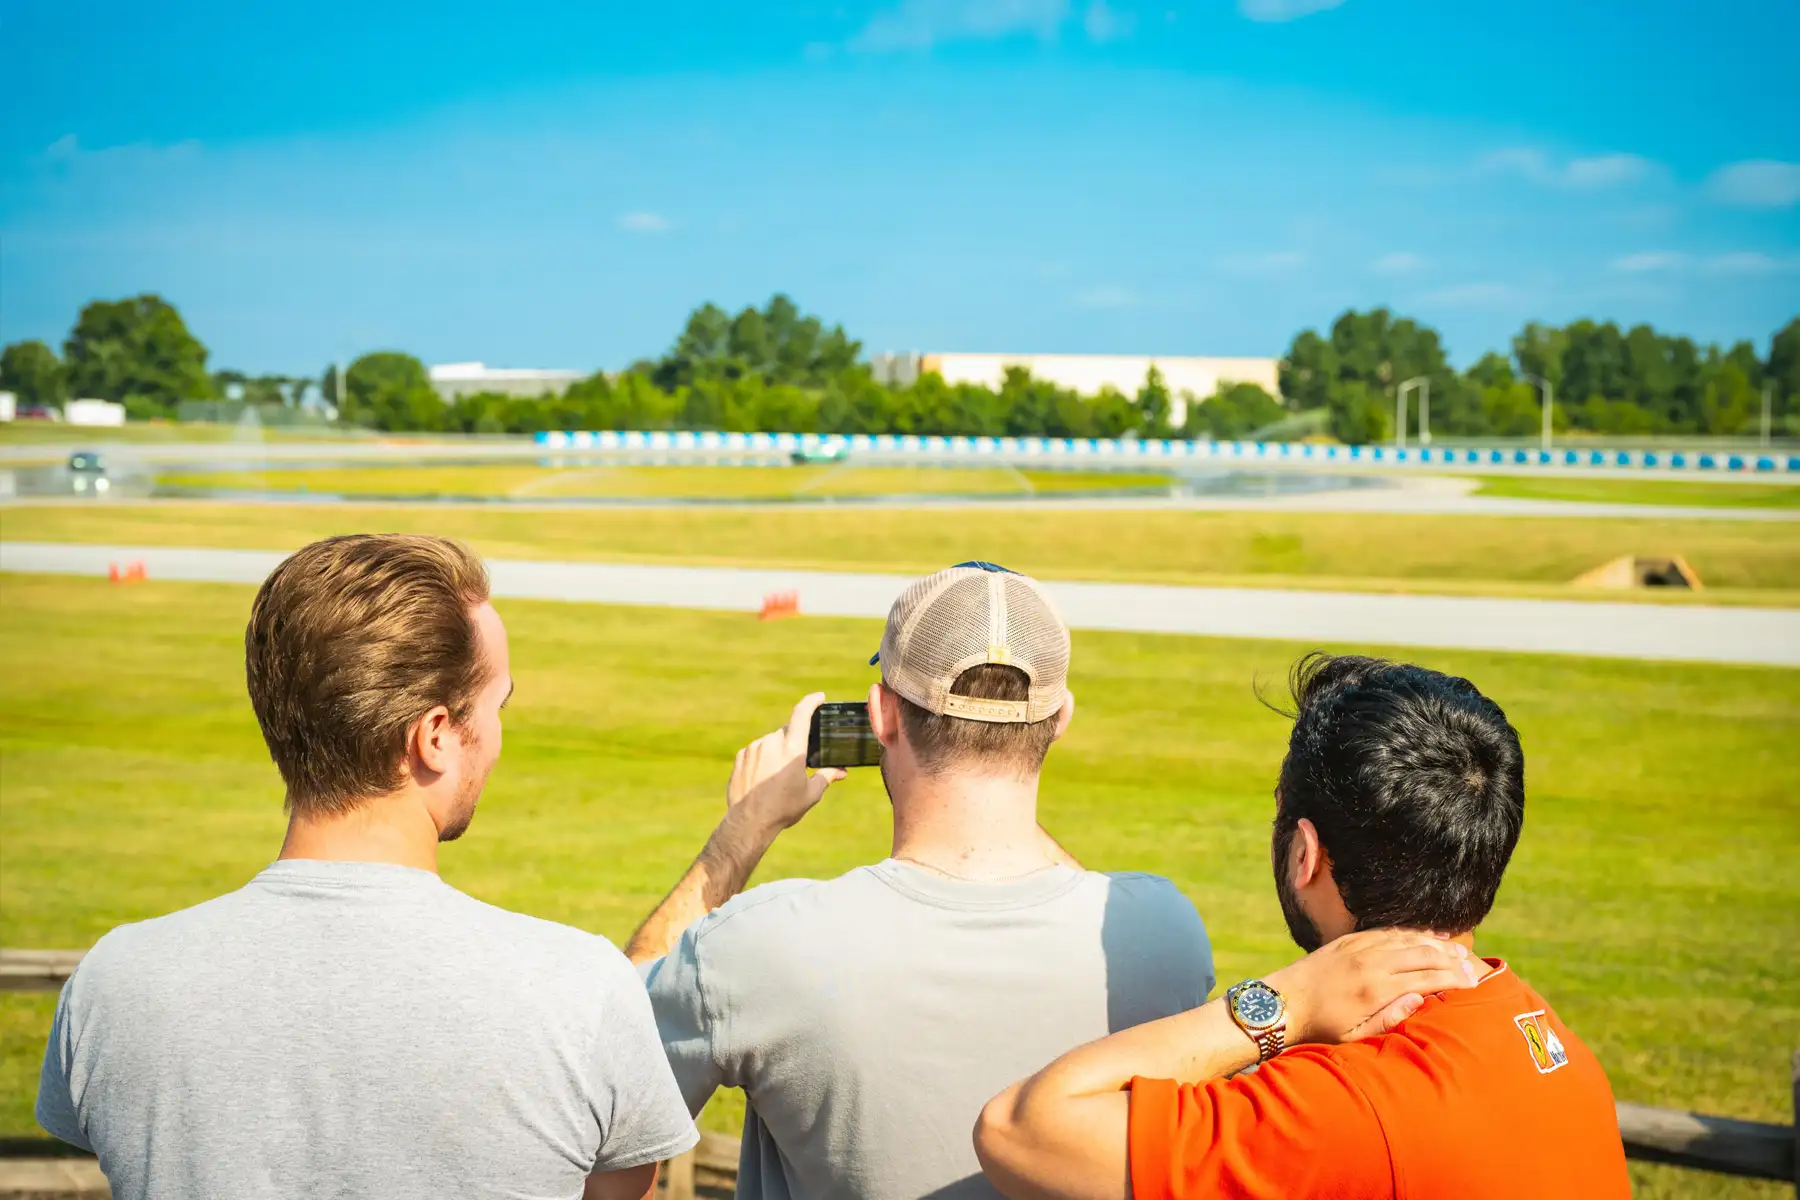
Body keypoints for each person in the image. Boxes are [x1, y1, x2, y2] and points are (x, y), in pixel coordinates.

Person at [37, 534, 697, 1200]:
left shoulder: (115, 981)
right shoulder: (577, 989)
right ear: (435, 735)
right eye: (498, 707)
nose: (499, 737)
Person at [627, 561, 1215, 1200]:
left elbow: (608, 1051)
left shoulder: (756, 947)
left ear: (881, 716)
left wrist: (744, 831)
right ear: (1061, 716)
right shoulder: (1166, 933)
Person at [974, 652, 1631, 1200]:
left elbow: (1019, 1129)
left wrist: (1283, 1003)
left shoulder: (1346, 1109)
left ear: (1304, 853)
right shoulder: (1555, 1047)